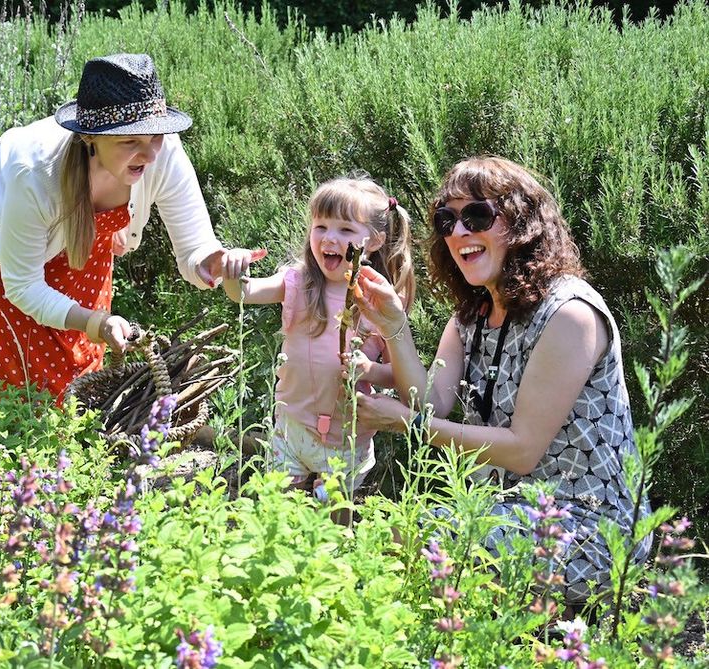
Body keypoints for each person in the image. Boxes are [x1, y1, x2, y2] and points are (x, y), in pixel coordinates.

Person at [353, 156, 649, 603]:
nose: (458, 232)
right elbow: (431, 400)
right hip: (506, 511)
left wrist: (405, 424)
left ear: (522, 222)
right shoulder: (473, 313)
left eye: (477, 215)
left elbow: (523, 450)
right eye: (445, 220)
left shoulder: (568, 314)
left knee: (414, 546)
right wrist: (394, 326)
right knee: (398, 539)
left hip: (589, 525)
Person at [0, 53, 265, 400]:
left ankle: (73, 439)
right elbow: (23, 284)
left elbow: (195, 247)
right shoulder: (35, 174)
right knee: (13, 369)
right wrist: (95, 322)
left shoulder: (163, 153)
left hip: (75, 232)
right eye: (129, 141)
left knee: (77, 365)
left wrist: (213, 262)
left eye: (154, 138)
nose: (149, 156)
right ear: (90, 137)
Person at [223, 174, 415, 496]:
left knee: (333, 519)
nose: (329, 237)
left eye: (345, 229)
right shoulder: (299, 281)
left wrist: (368, 370)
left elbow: (400, 375)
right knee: (279, 509)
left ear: (375, 240)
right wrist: (235, 271)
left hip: (346, 439)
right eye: (321, 226)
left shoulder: (378, 298)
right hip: (291, 428)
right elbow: (244, 293)